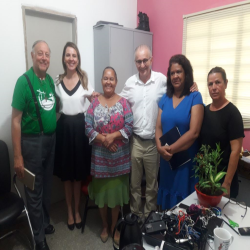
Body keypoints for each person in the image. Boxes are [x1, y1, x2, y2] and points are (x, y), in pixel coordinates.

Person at [119, 45, 198, 221]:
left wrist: (193, 86)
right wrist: (100, 97)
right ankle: (135, 217)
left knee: (152, 185)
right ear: (135, 63)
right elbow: (118, 101)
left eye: (145, 60)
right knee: (135, 184)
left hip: (156, 144)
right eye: (138, 61)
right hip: (136, 141)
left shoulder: (163, 80)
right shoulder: (130, 83)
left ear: (151, 60)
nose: (142, 64)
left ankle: (149, 218)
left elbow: (179, 89)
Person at [11, 40, 56, 250]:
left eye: (47, 54)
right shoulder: (23, 82)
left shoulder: (48, 80)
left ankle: (44, 223)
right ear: (32, 56)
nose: (44, 58)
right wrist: (18, 156)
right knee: (33, 191)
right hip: (31, 144)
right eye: (40, 53)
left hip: (50, 141)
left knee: (46, 187)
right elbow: (15, 121)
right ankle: (38, 238)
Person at [85, 67, 133, 244]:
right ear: (101, 80)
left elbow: (129, 125)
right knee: (103, 196)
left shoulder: (124, 102)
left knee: (115, 196)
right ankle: (104, 225)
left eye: (111, 79)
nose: (108, 82)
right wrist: (104, 139)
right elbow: (87, 127)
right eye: (105, 78)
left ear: (116, 81)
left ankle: (115, 226)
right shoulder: (94, 103)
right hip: (100, 159)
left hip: (119, 159)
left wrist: (113, 136)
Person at [54, 42, 96, 230]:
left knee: (78, 176)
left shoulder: (85, 80)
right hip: (63, 130)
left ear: (78, 59)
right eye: (68, 55)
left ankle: (77, 211)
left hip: (80, 130)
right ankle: (69, 211)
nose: (71, 59)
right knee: (66, 176)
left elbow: (95, 99)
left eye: (75, 56)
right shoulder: (56, 81)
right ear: (64, 58)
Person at [155, 54, 204, 210]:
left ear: (186, 73)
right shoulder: (165, 98)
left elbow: (194, 132)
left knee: (184, 206)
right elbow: (158, 128)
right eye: (172, 73)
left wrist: (170, 149)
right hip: (166, 160)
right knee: (167, 203)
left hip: (185, 161)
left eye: (179, 72)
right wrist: (159, 148)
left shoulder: (195, 97)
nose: (175, 76)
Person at [200, 67, 244, 198]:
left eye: (218, 82)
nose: (214, 87)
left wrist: (227, 184)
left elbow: (235, 152)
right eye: (210, 84)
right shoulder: (205, 111)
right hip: (206, 180)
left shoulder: (233, 114)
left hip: (222, 181)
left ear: (226, 84)